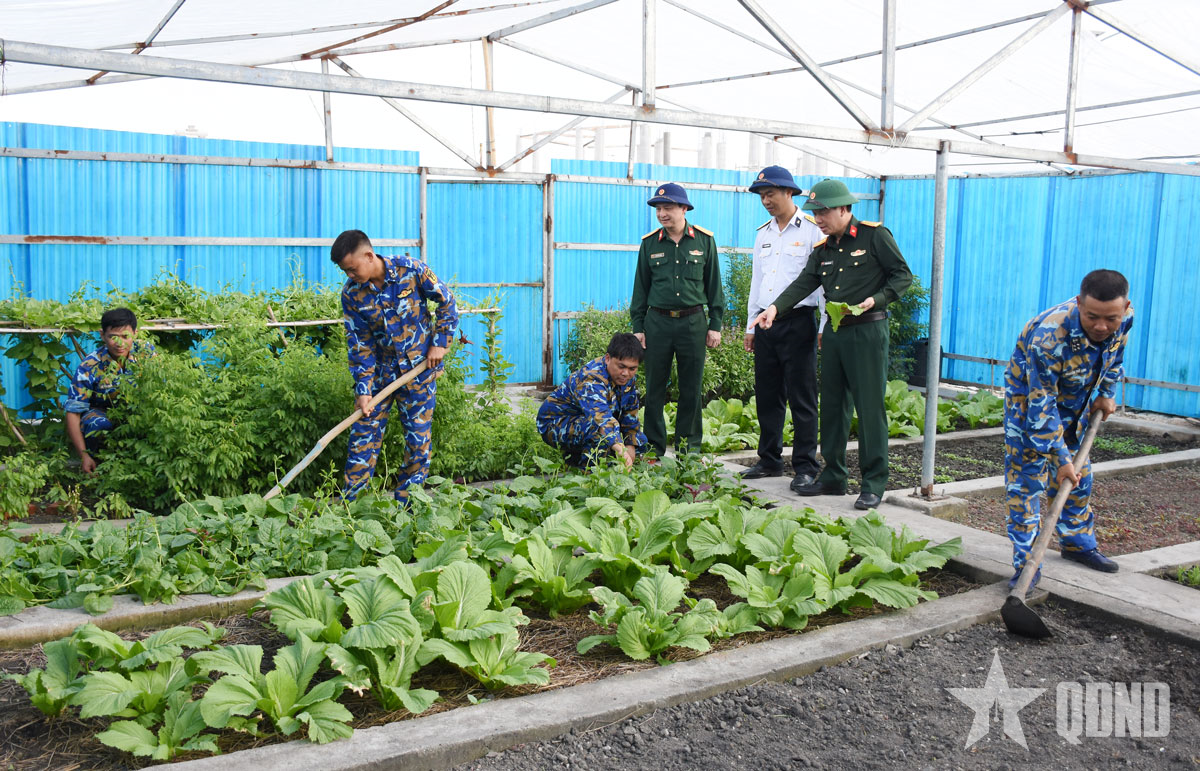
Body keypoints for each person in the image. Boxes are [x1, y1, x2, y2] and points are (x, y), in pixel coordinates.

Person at [752, 179, 912, 511]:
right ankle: (835, 476)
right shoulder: (823, 249)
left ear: (844, 208)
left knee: (869, 409)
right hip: (837, 331)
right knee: (833, 406)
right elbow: (804, 283)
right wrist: (774, 308)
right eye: (816, 213)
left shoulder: (874, 236)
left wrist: (878, 299)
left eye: (824, 213)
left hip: (868, 331)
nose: (819, 220)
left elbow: (902, 275)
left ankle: (872, 483)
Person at [1003, 269, 1133, 590]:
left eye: (1111, 319)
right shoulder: (1049, 337)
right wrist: (1061, 459)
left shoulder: (1124, 320)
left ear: (1125, 308)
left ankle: (1077, 543)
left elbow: (1115, 356)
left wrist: (1106, 393)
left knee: (1080, 478)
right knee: (1027, 487)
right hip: (1029, 407)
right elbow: (1041, 404)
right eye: (1092, 317)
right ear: (1078, 303)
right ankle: (1027, 567)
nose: (1102, 326)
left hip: (1075, 404)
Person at [332, 229, 458, 502]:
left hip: (419, 373)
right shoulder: (352, 294)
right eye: (345, 272)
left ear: (368, 255)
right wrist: (363, 389)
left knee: (418, 445)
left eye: (352, 269)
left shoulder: (410, 270)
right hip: (381, 376)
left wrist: (440, 341)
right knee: (362, 440)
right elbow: (360, 345)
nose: (349, 276)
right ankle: (351, 512)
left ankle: (407, 510)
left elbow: (446, 302)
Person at [741, 165, 825, 492]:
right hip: (765, 322)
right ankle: (769, 459)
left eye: (771, 194)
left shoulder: (811, 231)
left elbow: (821, 282)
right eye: (762, 196)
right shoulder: (763, 233)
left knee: (802, 397)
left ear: (789, 192)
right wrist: (751, 326)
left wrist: (824, 325)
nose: (766, 201)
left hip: (799, 322)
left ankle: (805, 465)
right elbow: (757, 283)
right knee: (767, 394)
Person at [630, 183, 725, 456]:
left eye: (668, 208)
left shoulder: (704, 241)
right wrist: (638, 328)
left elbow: (714, 286)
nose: (662, 213)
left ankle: (688, 451)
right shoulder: (649, 244)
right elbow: (641, 289)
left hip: (693, 322)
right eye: (659, 209)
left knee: (691, 389)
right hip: (657, 323)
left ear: (684, 209)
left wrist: (715, 325)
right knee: (655, 388)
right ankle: (654, 449)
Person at [64, 307, 155, 474]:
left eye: (125, 336)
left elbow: (163, 391)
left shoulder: (146, 354)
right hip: (104, 413)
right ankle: (98, 466)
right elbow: (73, 412)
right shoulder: (90, 365)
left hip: (139, 413)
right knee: (97, 423)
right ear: (102, 335)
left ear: (135, 333)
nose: (120, 343)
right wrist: (83, 456)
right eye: (113, 337)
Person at [537, 332, 647, 469]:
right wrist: (621, 450)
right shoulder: (591, 378)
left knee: (638, 442)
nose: (626, 373)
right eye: (621, 366)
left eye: (632, 368)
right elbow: (601, 419)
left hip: (582, 420)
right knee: (599, 433)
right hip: (554, 424)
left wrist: (630, 447)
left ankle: (575, 461)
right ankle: (589, 477)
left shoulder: (626, 379)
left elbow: (630, 416)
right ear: (607, 359)